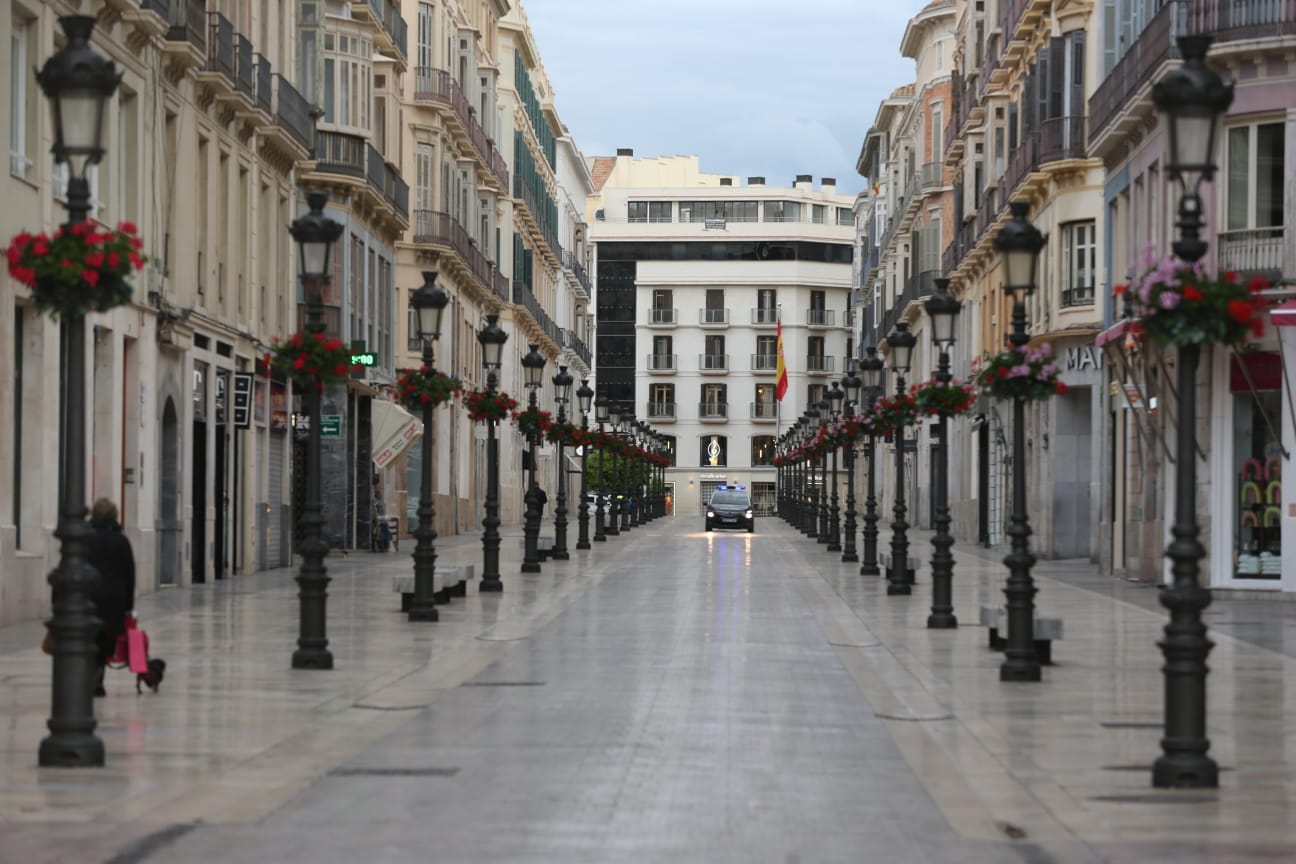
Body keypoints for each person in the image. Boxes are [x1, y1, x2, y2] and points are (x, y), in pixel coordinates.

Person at [87, 498, 136, 697]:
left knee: (87, 639)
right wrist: (128, 606)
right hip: (113, 601)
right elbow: (129, 575)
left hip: (88, 597)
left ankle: (89, 677)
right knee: (105, 642)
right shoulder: (121, 541)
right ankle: (98, 678)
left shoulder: (84, 539)